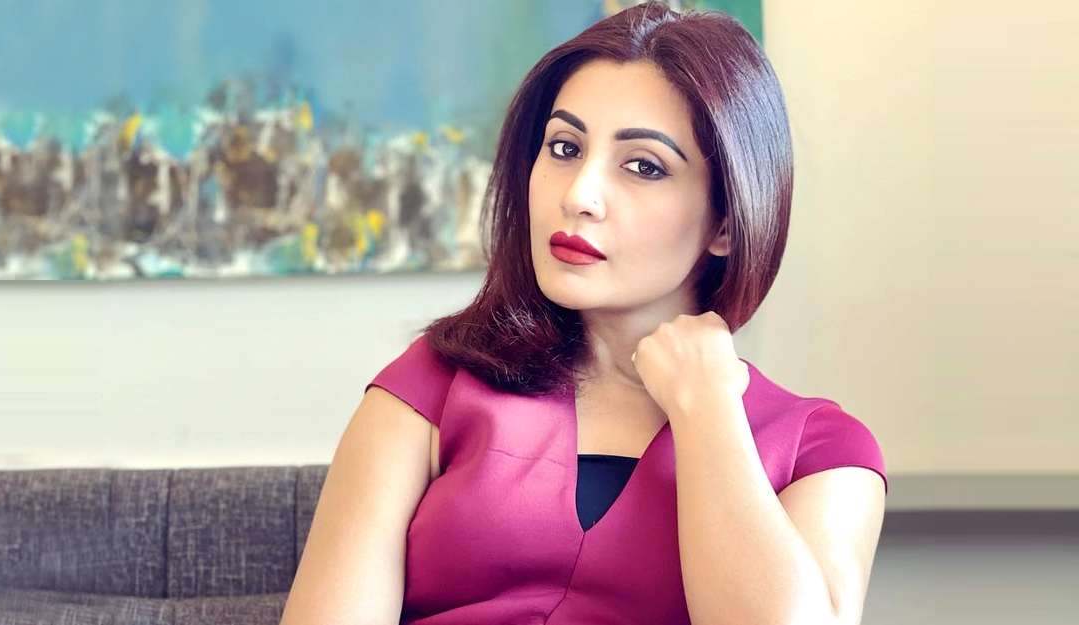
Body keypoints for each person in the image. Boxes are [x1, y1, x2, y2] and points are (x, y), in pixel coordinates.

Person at [280, 3, 887, 624]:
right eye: (564, 147)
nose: (578, 195)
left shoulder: (822, 451)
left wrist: (707, 409)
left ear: (727, 223)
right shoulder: (427, 388)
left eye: (644, 166)